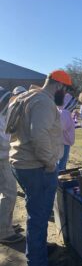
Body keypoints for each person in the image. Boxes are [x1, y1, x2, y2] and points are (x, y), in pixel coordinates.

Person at [8, 70, 71, 266]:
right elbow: (39, 136)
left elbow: (9, 128)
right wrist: (50, 164)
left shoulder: (24, 97)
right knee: (39, 215)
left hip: (22, 164)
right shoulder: (43, 102)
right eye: (66, 89)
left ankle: (38, 247)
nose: (66, 94)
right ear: (59, 85)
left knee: (35, 211)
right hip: (37, 167)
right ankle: (37, 260)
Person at [0, 87, 24, 244]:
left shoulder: (3, 115)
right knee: (9, 194)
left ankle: (5, 224)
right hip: (1, 159)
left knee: (7, 193)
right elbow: (3, 142)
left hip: (4, 158)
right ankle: (4, 232)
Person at [56, 93, 78, 171]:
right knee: (61, 163)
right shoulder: (64, 112)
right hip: (63, 142)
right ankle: (59, 180)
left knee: (60, 162)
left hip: (60, 141)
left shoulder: (60, 111)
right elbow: (61, 127)